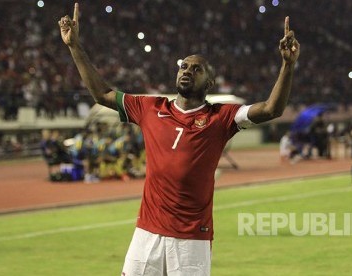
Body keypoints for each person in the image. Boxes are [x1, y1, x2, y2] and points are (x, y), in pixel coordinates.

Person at [58, 3, 300, 275]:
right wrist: (74, 46)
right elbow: (102, 94)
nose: (187, 70)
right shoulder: (150, 108)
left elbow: (271, 109)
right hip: (147, 232)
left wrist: (287, 66)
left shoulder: (221, 117)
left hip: (191, 239)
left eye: (197, 69)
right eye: (184, 66)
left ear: (209, 84)